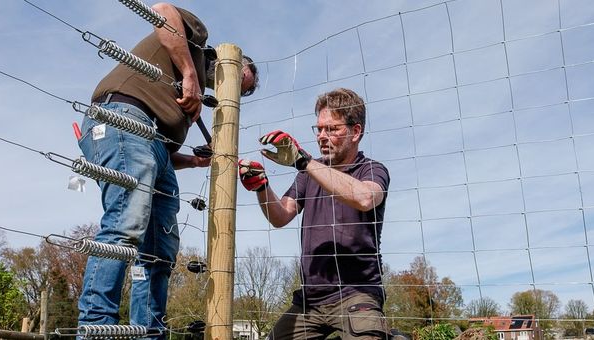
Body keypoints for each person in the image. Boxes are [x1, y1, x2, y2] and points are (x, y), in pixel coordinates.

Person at [76, 2, 258, 335]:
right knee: (125, 224)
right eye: (233, 79)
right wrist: (190, 73)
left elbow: (158, 156)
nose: (223, 88)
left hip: (153, 144)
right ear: (221, 62)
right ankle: (95, 327)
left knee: (160, 252)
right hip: (123, 117)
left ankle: (149, 332)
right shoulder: (195, 41)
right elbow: (162, 11)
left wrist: (193, 160)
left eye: (237, 91)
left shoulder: (185, 107)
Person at [238, 88, 391, 339]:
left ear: (356, 131)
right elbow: (280, 215)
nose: (321, 136)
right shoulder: (308, 175)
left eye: (331, 129)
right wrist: (261, 187)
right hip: (308, 301)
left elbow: (365, 197)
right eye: (318, 129)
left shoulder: (372, 170)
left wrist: (304, 161)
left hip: (356, 293)